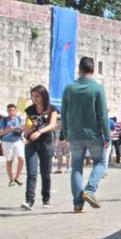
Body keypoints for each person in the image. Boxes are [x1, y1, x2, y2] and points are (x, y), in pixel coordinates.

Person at [61, 56, 110, 213]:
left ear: (79, 69)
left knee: (76, 168)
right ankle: (90, 189)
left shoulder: (69, 88)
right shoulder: (97, 88)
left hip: (74, 134)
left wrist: (64, 133)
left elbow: (64, 112)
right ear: (93, 70)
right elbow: (103, 115)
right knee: (101, 162)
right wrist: (107, 136)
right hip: (93, 134)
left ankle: (77, 204)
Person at [20, 85, 58, 210]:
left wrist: (40, 131)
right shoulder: (30, 110)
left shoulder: (51, 109)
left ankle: (46, 199)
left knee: (45, 173)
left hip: (46, 144)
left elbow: (52, 125)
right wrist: (27, 129)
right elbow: (28, 125)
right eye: (33, 96)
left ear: (43, 96)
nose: (35, 99)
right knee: (31, 172)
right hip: (31, 143)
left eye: (37, 96)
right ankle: (29, 200)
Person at [0, 104, 25, 187]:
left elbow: (23, 128)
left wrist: (21, 133)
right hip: (7, 142)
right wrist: (9, 129)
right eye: (10, 110)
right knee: (9, 161)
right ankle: (11, 179)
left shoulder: (19, 119)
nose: (11, 112)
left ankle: (18, 177)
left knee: (21, 159)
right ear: (7, 111)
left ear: (15, 111)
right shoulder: (4, 120)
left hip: (17, 140)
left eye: (13, 110)